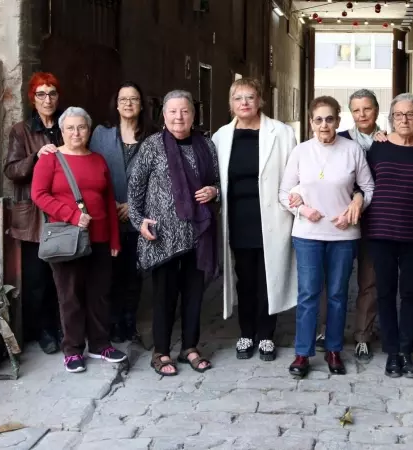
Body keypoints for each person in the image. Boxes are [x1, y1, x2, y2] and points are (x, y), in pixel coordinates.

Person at [279, 96, 374, 379]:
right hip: (307, 233)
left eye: (329, 119)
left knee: (337, 293)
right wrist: (304, 209)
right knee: (308, 293)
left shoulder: (352, 150)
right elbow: (284, 193)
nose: (324, 125)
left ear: (338, 121)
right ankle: (302, 352)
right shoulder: (301, 152)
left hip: (343, 234)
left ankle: (333, 349)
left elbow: (368, 187)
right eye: (318, 119)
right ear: (310, 122)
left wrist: (356, 206)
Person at [129, 90, 220, 376]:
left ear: (193, 115)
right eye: (173, 111)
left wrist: (214, 191)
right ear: (164, 115)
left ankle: (190, 347)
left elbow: (217, 181)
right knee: (164, 296)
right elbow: (135, 190)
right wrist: (139, 221)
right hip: (162, 237)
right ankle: (161, 351)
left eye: (185, 111)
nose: (179, 117)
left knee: (194, 295)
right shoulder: (152, 146)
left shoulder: (206, 145)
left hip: (196, 235)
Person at [31, 107, 128, 373]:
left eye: (81, 127)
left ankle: (100, 344)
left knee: (99, 294)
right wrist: (72, 215)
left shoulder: (98, 160)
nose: (76, 132)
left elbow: (108, 201)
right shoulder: (50, 160)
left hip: (99, 239)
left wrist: (114, 240)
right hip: (68, 238)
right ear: (62, 131)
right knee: (70, 296)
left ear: (89, 129)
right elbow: (39, 195)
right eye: (70, 128)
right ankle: (72, 350)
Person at [212, 78, 298, 362]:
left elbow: (295, 176)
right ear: (231, 104)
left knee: (268, 277)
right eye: (238, 98)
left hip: (272, 217)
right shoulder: (221, 136)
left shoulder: (282, 133)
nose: (244, 103)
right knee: (244, 279)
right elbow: (215, 178)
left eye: (250, 97)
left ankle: (267, 335)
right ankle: (246, 332)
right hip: (238, 218)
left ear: (261, 100)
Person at [364, 93, 413, 378]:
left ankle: (407, 352)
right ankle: (392, 352)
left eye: (410, 114)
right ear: (391, 119)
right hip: (381, 233)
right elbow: (363, 185)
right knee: (385, 293)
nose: (404, 119)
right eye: (398, 115)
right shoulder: (378, 148)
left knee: (410, 293)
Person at [313, 89, 381, 364]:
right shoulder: (338, 140)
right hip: (339, 221)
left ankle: (363, 335)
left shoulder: (388, 141)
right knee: (333, 280)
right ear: (349, 115)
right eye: (356, 110)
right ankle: (327, 331)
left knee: (369, 279)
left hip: (376, 219)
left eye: (367, 109)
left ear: (377, 110)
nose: (362, 114)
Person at [4, 72, 63, 355]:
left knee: (61, 275)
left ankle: (58, 327)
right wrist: (35, 158)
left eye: (52, 93)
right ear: (33, 99)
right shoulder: (21, 130)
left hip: (62, 213)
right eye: (41, 94)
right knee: (36, 278)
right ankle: (40, 331)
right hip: (33, 217)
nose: (47, 99)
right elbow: (11, 170)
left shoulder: (66, 126)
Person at [90, 81, 153, 344]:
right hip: (108, 215)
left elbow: (158, 178)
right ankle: (112, 322)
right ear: (116, 104)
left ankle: (130, 322)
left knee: (134, 274)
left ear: (141, 105)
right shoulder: (101, 134)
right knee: (108, 274)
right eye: (123, 99)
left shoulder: (152, 137)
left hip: (138, 218)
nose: (128, 103)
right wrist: (110, 204)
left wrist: (133, 206)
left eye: (134, 99)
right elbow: (90, 169)